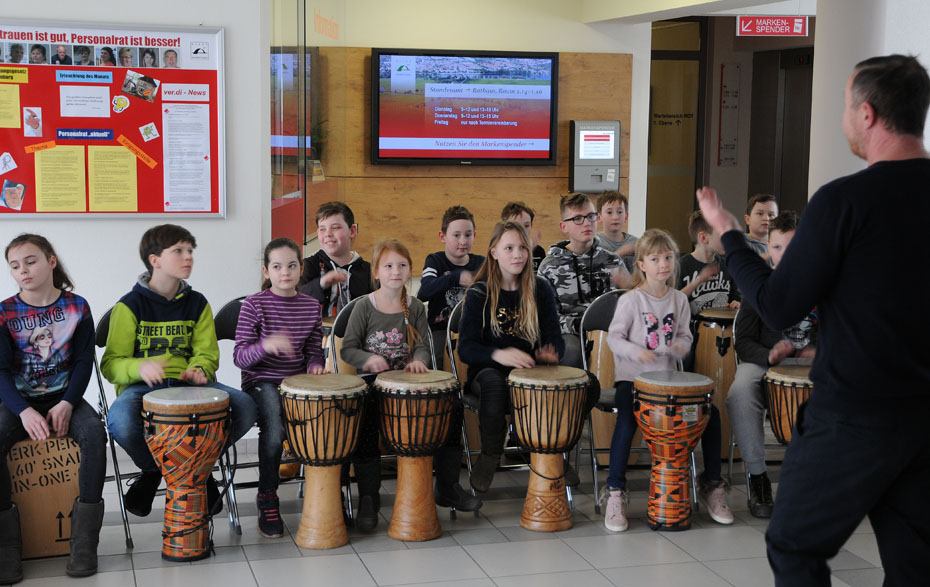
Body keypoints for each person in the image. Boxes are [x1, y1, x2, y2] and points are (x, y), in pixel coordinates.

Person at [697, 53, 930, 587]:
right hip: (925, 415)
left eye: (846, 106)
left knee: (794, 545)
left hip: (857, 412)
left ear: (867, 114)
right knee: (916, 563)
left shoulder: (844, 202)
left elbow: (777, 305)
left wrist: (732, 235)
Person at [101, 224, 257, 519]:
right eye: (179, 251)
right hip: (142, 389)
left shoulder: (197, 303)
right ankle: (153, 471)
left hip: (192, 387)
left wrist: (200, 368)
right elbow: (110, 364)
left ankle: (199, 465)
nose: (188, 257)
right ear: (154, 260)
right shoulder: (129, 306)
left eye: (190, 251)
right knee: (119, 421)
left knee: (246, 407)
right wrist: (139, 367)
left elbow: (207, 353)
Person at [341, 238, 479, 530]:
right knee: (364, 420)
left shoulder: (415, 307)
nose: (395, 271)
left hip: (408, 386)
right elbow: (348, 349)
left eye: (402, 265)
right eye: (388, 266)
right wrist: (368, 359)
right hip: (373, 385)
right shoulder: (364, 307)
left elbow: (423, 345)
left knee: (450, 407)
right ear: (376, 272)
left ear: (410, 270)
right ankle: (369, 497)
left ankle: (447, 486)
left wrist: (419, 359)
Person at [602, 229, 733, 532]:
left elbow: (686, 336)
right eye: (655, 258)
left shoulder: (679, 300)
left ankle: (712, 484)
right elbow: (615, 339)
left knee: (709, 415)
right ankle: (615, 491)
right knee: (628, 419)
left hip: (669, 386)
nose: (663, 264)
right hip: (633, 382)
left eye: (669, 257)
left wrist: (681, 347)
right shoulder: (631, 300)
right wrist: (637, 352)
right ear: (642, 264)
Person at [0, 234, 106, 581]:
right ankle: (6, 549)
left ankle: (84, 545)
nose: (23, 271)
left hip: (65, 397)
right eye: (15, 266)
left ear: (50, 261)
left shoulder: (78, 307)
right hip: (18, 402)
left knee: (93, 434)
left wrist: (67, 403)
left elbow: (81, 363)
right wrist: (23, 411)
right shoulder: (5, 312)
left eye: (30, 261)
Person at [458, 221, 566, 492]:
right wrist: (499, 355)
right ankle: (491, 454)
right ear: (494, 252)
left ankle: (550, 450)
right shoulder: (479, 293)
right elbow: (466, 349)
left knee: (586, 386)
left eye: (522, 248)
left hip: (529, 373)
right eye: (509, 248)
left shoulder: (540, 289)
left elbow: (555, 338)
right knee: (496, 385)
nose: (517, 254)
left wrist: (552, 353)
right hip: (487, 373)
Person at [726, 210, 816, 519]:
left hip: (812, 364)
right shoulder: (761, 284)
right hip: (766, 359)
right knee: (740, 391)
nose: (784, 255)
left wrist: (820, 351)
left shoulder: (825, 283)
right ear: (768, 250)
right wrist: (769, 357)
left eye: (792, 247)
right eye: (777, 248)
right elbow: (744, 340)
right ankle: (757, 474)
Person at [233, 238, 324, 538]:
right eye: (277, 266)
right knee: (273, 422)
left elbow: (313, 351)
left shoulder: (311, 306)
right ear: (266, 270)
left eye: (292, 265)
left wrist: (314, 365)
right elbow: (240, 357)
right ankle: (267, 496)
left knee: (329, 415)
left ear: (301, 268)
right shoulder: (254, 304)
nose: (285, 272)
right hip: (260, 383)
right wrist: (266, 345)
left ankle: (325, 495)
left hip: (295, 383)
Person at [538, 193, 629, 367]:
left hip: (609, 330)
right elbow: (547, 317)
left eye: (591, 216)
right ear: (564, 226)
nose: (587, 223)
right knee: (572, 352)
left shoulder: (613, 261)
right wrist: (582, 326)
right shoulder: (549, 266)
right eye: (578, 218)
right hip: (570, 332)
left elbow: (630, 302)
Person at [417, 205, 483, 368]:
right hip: (440, 329)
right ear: (442, 236)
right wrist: (455, 277)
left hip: (474, 328)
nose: (463, 241)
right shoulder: (435, 260)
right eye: (456, 235)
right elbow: (424, 292)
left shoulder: (482, 263)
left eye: (468, 235)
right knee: (438, 358)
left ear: (474, 235)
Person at [298, 201, 373, 318]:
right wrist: (321, 284)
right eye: (322, 229)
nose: (328, 234)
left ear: (352, 231)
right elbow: (295, 299)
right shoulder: (307, 266)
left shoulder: (369, 271)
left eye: (335, 228)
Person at [678, 210, 740, 316]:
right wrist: (698, 281)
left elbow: (735, 299)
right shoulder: (681, 266)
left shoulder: (727, 265)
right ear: (703, 237)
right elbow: (672, 303)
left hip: (722, 330)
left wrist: (736, 303)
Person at [594, 190, 638, 272]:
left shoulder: (636, 243)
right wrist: (621, 252)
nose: (615, 217)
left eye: (620, 212)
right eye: (609, 212)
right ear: (599, 218)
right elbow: (598, 271)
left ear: (626, 216)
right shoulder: (594, 243)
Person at [501, 201, 546, 272]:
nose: (522, 230)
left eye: (526, 225)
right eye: (516, 226)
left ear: (531, 225)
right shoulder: (502, 251)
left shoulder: (539, 251)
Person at [743, 193, 778, 261]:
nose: (766, 218)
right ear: (747, 219)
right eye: (760, 214)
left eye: (771, 215)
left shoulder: (784, 247)